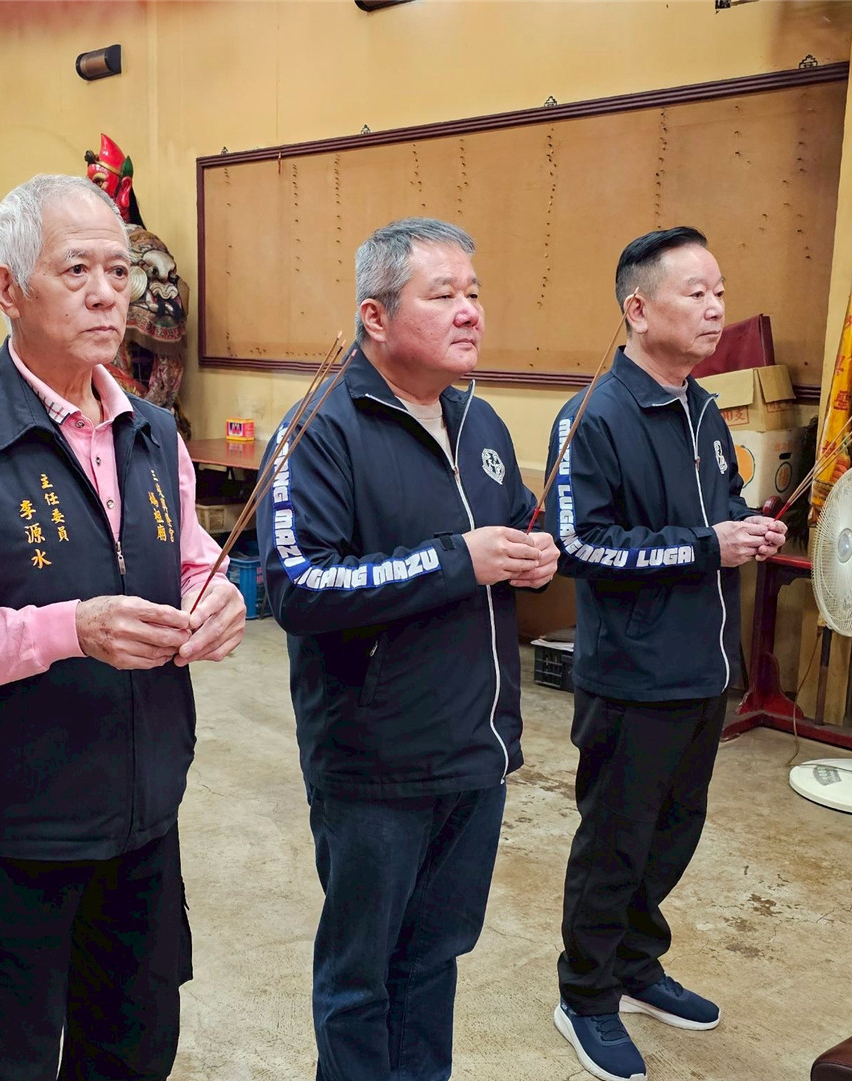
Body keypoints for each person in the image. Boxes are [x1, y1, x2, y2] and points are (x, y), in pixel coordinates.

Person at [0, 173, 247, 1081]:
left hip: (144, 818)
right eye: (76, 269)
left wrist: (218, 594)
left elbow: (190, 554)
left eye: (118, 270)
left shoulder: (154, 433)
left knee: (135, 1050)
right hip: (14, 834)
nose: (108, 293)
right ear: (8, 289)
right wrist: (68, 628)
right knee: (8, 1060)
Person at [259, 216, 559, 1081]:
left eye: (475, 293)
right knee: (361, 976)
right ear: (376, 316)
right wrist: (458, 560)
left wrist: (535, 554)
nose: (470, 311)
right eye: (444, 294)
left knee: (434, 960)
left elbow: (513, 526)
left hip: (476, 749)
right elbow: (298, 586)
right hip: (375, 762)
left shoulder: (481, 422)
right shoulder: (320, 429)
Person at [541, 227, 787, 1081]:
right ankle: (585, 994)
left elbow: (719, 507)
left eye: (720, 292)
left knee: (674, 834)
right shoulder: (593, 417)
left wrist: (747, 527)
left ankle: (636, 965)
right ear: (638, 310)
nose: (715, 308)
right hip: (633, 676)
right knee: (614, 844)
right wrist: (706, 546)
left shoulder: (704, 410)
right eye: (696, 292)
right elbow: (577, 544)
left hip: (704, 670)